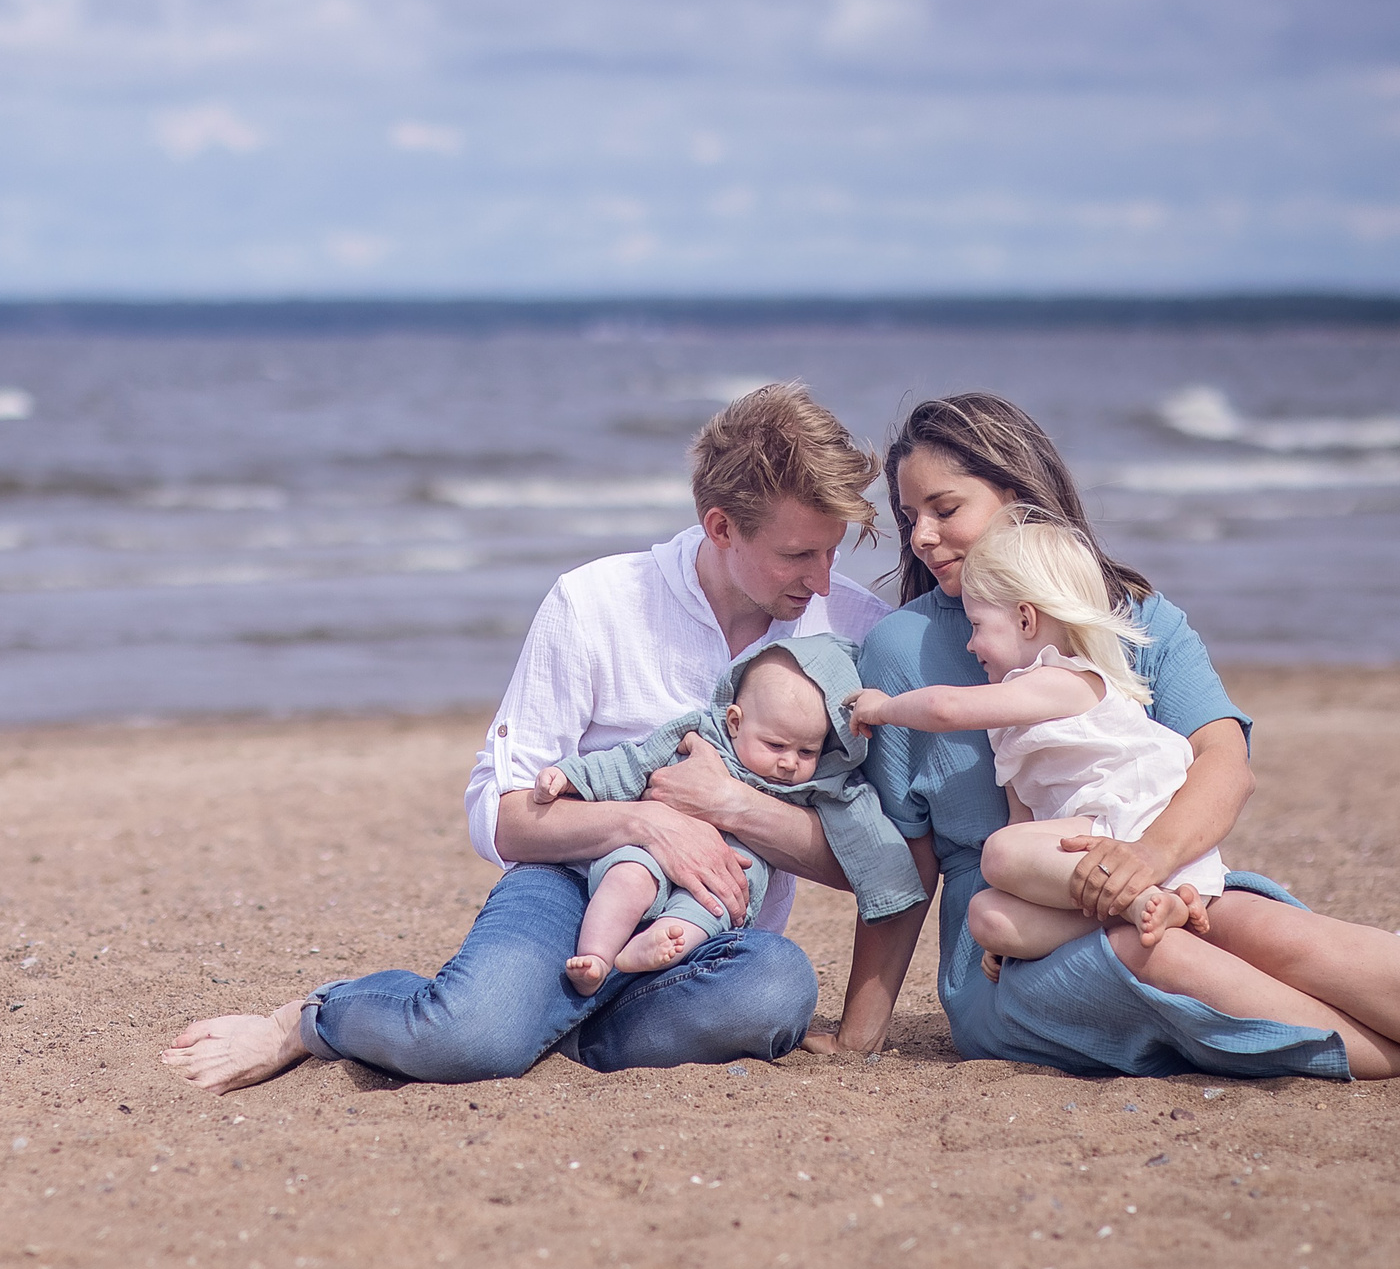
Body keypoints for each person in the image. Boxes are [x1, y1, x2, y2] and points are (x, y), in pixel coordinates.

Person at [815, 391, 1400, 1109]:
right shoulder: (904, 653)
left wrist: (1145, 860)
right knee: (1165, 958)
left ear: (1017, 495)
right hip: (1014, 951)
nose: (924, 536)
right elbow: (910, 866)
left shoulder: (1133, 617)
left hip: (1160, 868)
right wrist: (860, 1036)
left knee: (1281, 933)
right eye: (910, 518)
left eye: (947, 506)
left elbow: (1225, 764)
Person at [165, 383, 892, 1092]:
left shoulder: (853, 631)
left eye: (834, 551)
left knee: (778, 989)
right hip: (567, 882)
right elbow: (498, 813)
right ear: (720, 526)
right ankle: (313, 1019)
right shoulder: (596, 602)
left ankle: (540, 1028)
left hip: (703, 930)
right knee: (465, 1038)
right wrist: (647, 821)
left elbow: (876, 859)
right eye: (798, 555)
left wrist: (732, 808)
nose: (823, 581)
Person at [847, 508, 1220, 966]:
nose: (969, 644)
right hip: (1089, 845)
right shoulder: (1011, 720)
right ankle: (1149, 909)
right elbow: (1023, 820)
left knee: (999, 854)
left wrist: (883, 707)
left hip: (1132, 822)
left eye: (978, 627)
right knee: (987, 915)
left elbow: (947, 708)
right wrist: (1009, 933)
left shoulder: (1067, 681)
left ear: (1026, 620)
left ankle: (1139, 899)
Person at [536, 634, 923, 994]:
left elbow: (864, 834)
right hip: (652, 852)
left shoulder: (817, 785)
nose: (789, 762)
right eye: (775, 745)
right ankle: (597, 958)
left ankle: (657, 945)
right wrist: (569, 777)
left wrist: (893, 890)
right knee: (628, 876)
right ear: (736, 722)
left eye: (807, 752)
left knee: (711, 910)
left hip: (726, 880)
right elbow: (632, 763)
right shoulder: (700, 736)